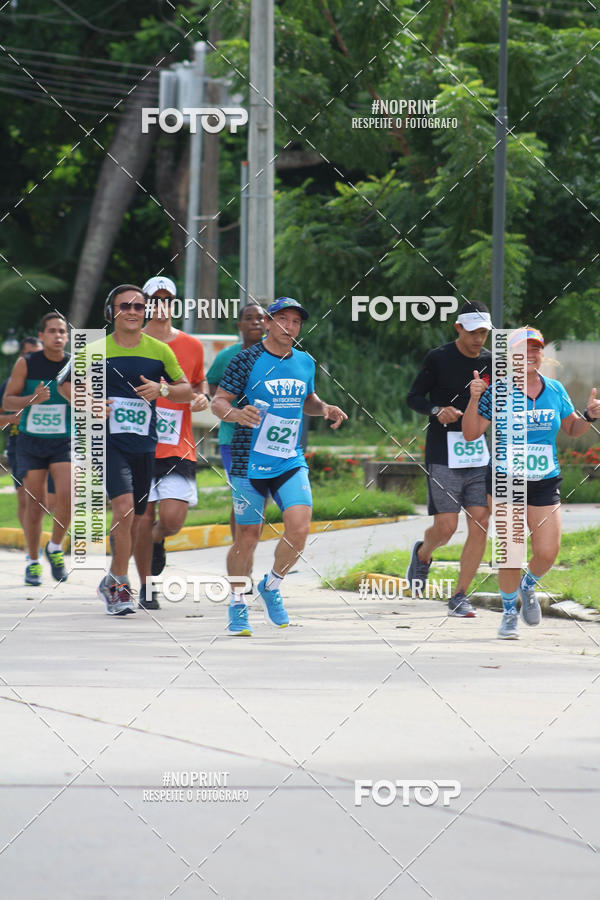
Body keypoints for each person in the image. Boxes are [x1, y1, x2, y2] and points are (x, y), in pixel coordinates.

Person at [211, 296, 347, 636]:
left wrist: (325, 408)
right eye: (283, 319)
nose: (290, 327)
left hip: (288, 456)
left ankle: (271, 584)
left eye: (296, 322)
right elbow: (218, 401)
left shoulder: (305, 362)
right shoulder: (245, 360)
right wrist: (236, 414)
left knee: (300, 528)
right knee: (247, 536)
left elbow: (308, 401)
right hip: (247, 459)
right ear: (269, 323)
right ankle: (238, 602)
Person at [59, 284, 192, 615]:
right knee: (124, 507)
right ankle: (119, 584)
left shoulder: (160, 350)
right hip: (107, 443)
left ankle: (111, 579)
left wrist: (161, 388)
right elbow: (63, 384)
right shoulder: (94, 349)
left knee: (135, 518)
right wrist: (88, 402)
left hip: (145, 444)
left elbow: (185, 389)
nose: (132, 311)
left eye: (138, 306)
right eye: (125, 306)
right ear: (111, 312)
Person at [462, 325, 600, 639]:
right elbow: (470, 433)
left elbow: (572, 429)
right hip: (506, 479)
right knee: (511, 550)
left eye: (536, 348)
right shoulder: (496, 392)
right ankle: (509, 612)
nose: (532, 354)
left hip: (544, 480)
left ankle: (528, 585)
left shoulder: (554, 389)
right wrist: (473, 399)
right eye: (524, 350)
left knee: (548, 551)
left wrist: (589, 417)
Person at [405, 300, 493, 616]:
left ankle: (459, 595)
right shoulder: (438, 358)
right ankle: (424, 554)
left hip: (478, 453)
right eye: (472, 332)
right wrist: (436, 410)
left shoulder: (491, 362)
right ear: (458, 328)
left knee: (481, 523)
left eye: (483, 332)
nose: (478, 339)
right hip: (443, 451)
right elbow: (413, 397)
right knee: (445, 528)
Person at [134, 276, 210, 609]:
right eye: (155, 298)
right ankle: (146, 587)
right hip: (136, 443)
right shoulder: (131, 342)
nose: (161, 304)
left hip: (178, 445)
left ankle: (155, 541)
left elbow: (198, 382)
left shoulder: (191, 345)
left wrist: (203, 396)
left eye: (168, 299)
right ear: (146, 304)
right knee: (141, 515)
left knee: (173, 519)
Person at [3, 315, 71, 585]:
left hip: (63, 440)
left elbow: (88, 395)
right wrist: (32, 399)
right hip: (31, 441)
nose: (58, 336)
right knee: (36, 504)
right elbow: (8, 400)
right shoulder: (27, 363)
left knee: (66, 498)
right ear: (41, 336)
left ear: (67, 336)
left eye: (62, 332)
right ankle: (32, 561)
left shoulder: (73, 364)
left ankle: (54, 547)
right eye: (52, 331)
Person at [206, 302, 266, 540]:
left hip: (265, 439)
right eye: (249, 318)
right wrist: (228, 406)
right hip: (233, 437)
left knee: (259, 497)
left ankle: (247, 547)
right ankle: (240, 550)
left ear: (267, 324)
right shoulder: (227, 356)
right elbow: (211, 383)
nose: (255, 322)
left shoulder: (274, 354)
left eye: (260, 318)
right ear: (239, 325)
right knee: (242, 495)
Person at [0, 337, 51, 533]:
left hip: (54, 446)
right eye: (29, 355)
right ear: (21, 357)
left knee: (48, 501)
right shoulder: (10, 385)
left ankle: (52, 544)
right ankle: (33, 548)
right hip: (20, 446)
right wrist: (12, 419)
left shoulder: (58, 381)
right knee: (25, 497)